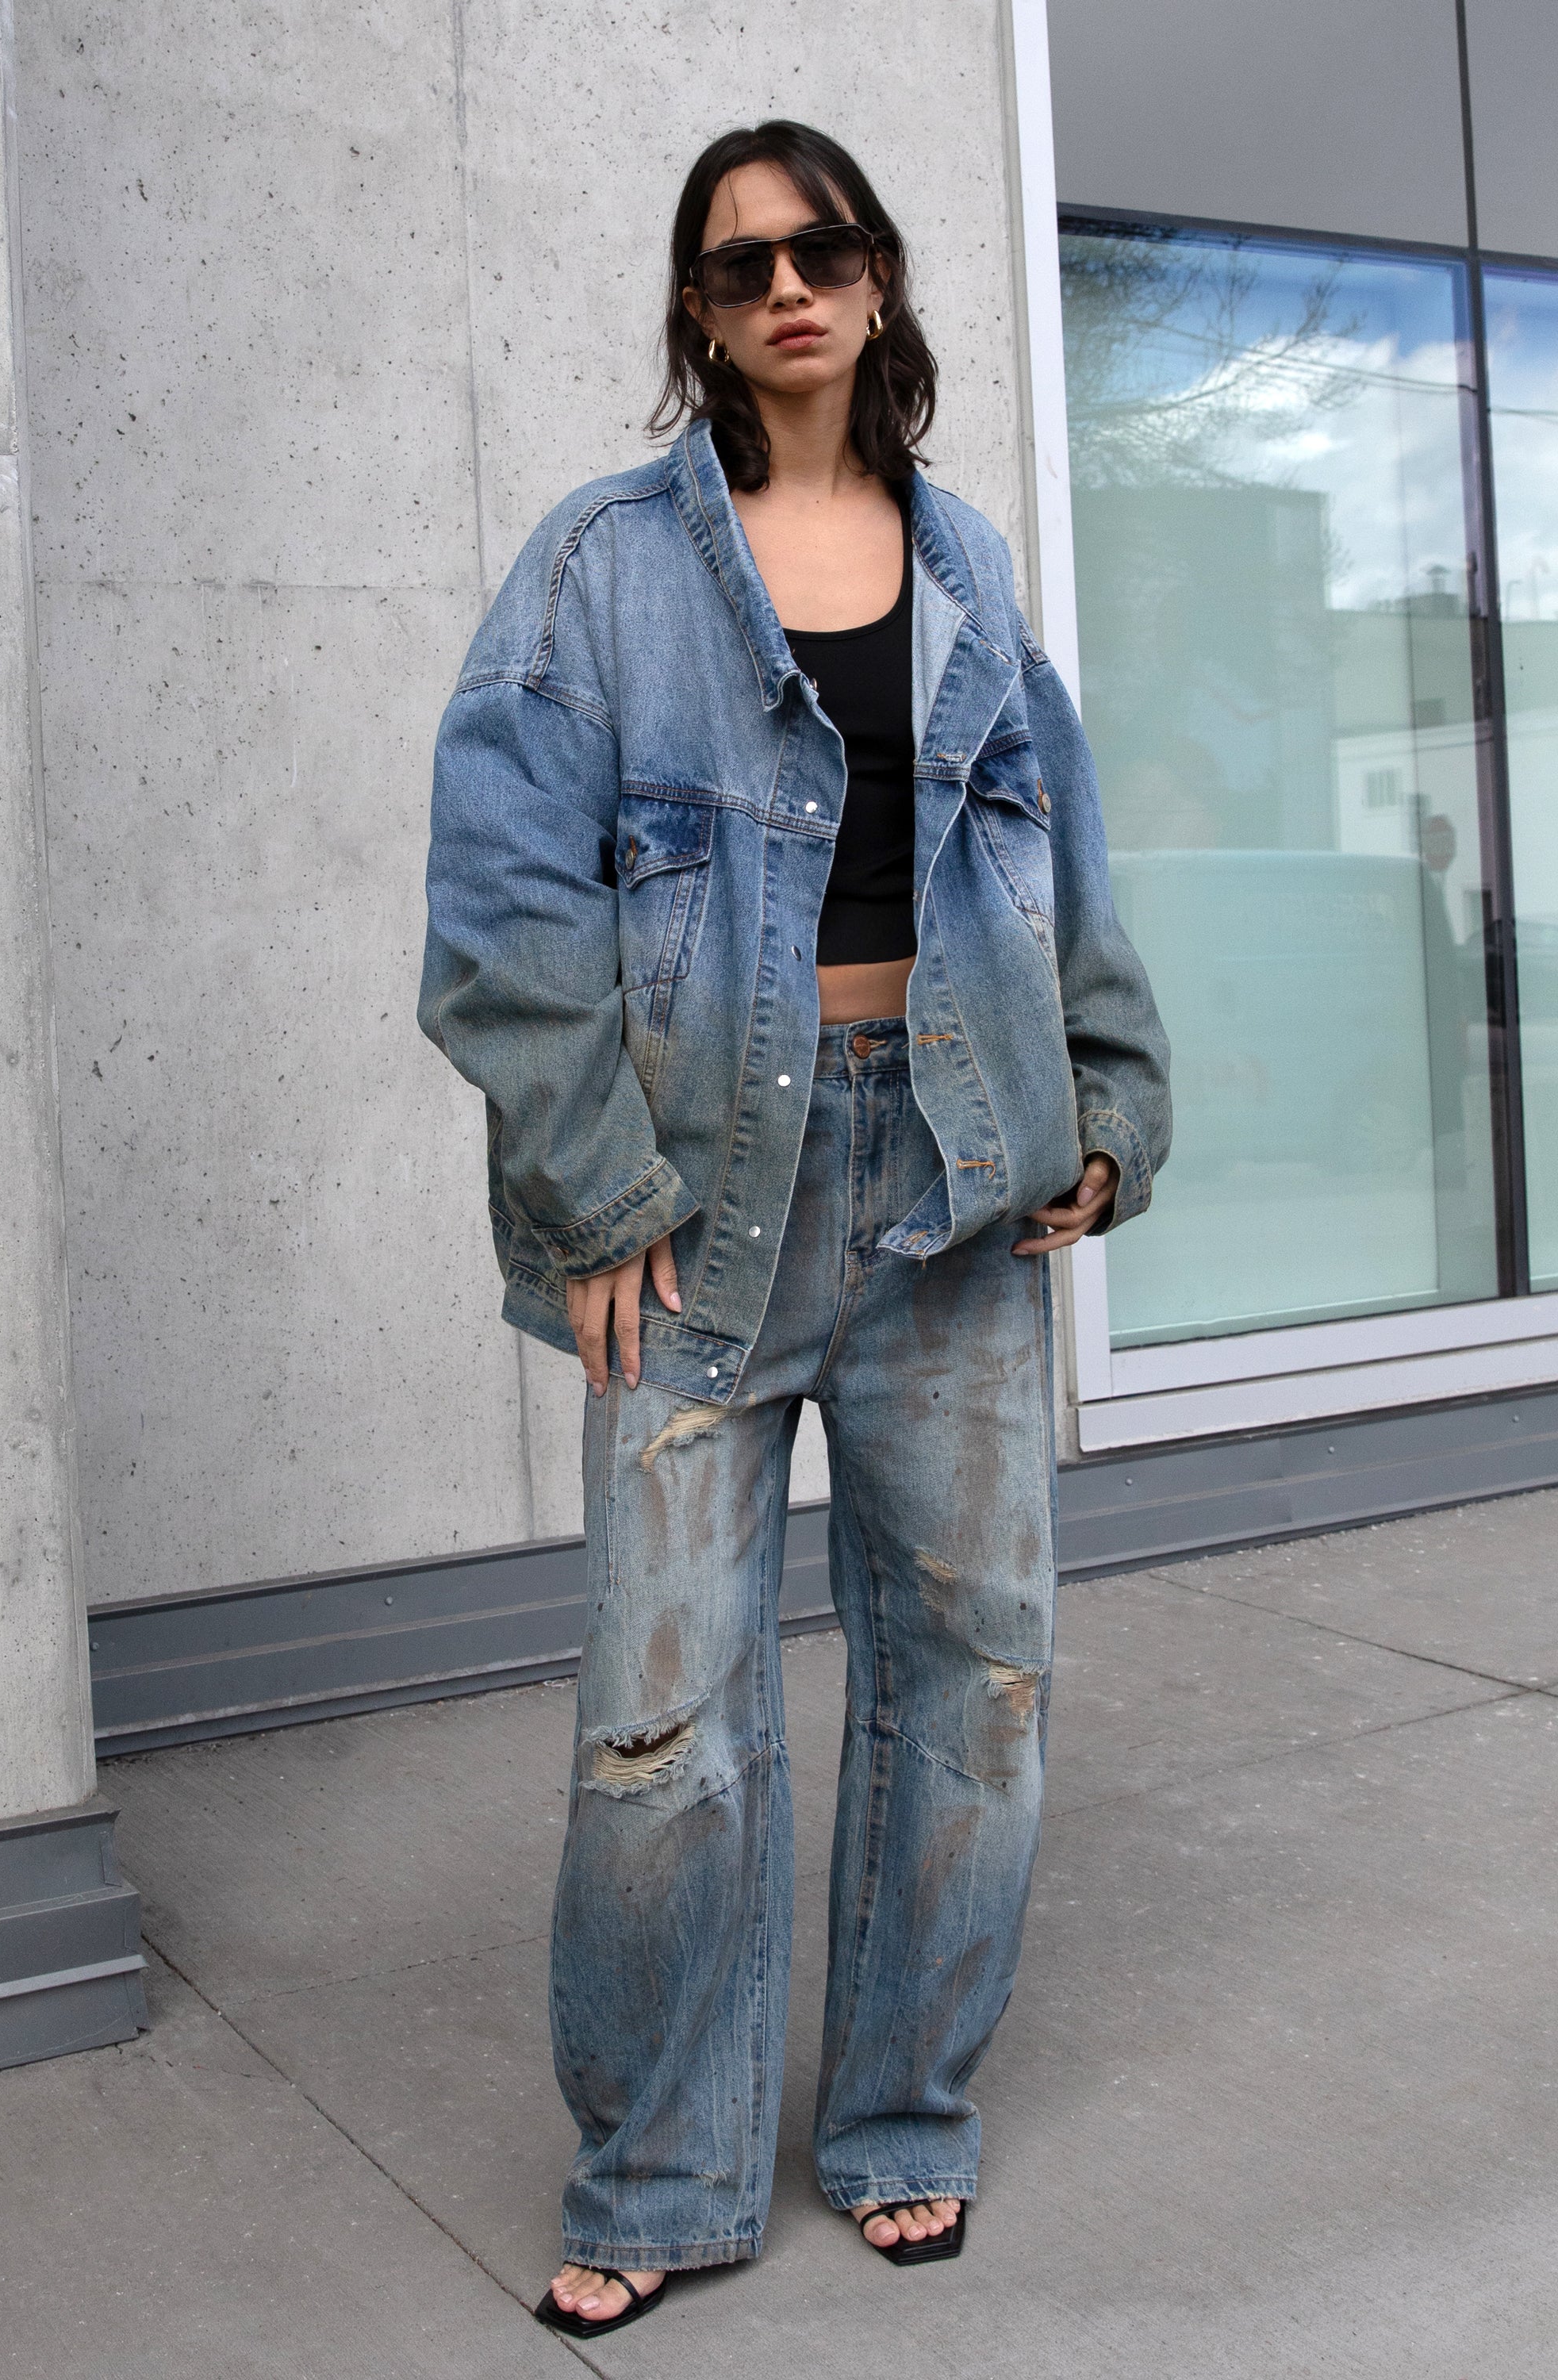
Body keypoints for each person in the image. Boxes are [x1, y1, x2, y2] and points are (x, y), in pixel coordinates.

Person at [419, 119, 1170, 2336]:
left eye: (822, 248)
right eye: (741, 262)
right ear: (699, 309)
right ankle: (658, 2170)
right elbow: (500, 908)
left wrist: (1106, 1109)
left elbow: (1059, 865)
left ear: (879, 277)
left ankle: (905, 2118)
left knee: (975, 1682)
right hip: (695, 1204)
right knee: (667, 1715)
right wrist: (592, 1187)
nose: (788, 287)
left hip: (952, 1183)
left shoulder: (969, 572)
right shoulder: (600, 572)